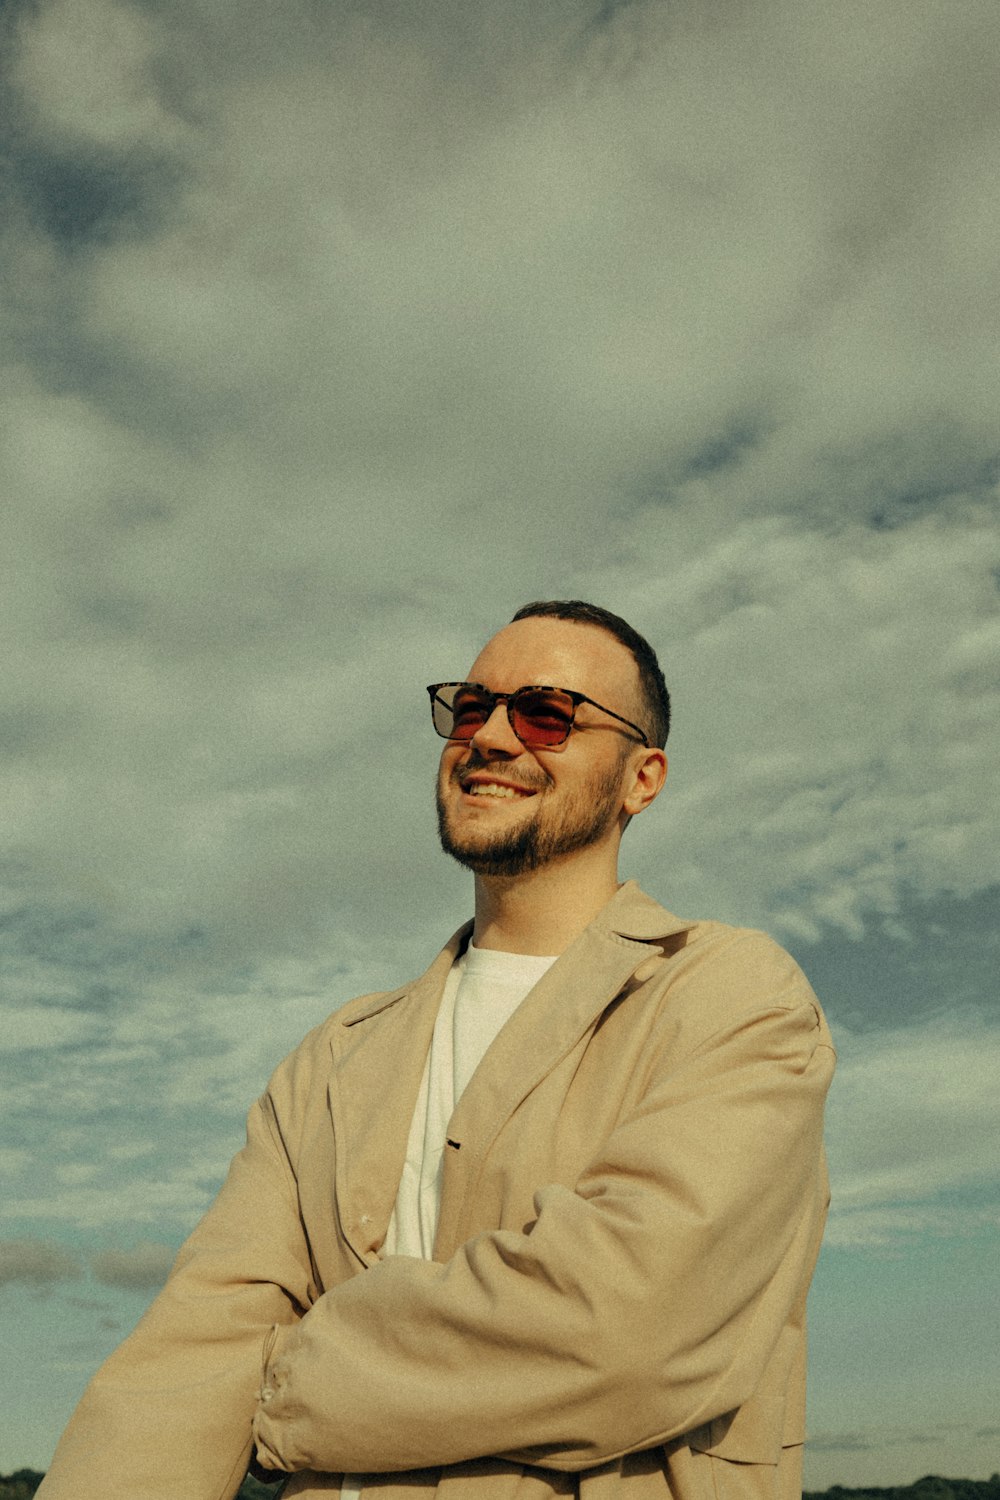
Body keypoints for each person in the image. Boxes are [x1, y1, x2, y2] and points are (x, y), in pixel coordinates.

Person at [38, 600, 835, 1500]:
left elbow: (621, 1330)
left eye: (547, 714)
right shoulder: (334, 1059)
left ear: (641, 778)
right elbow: (184, 1361)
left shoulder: (731, 997)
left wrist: (273, 1384)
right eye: (470, 707)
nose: (491, 736)